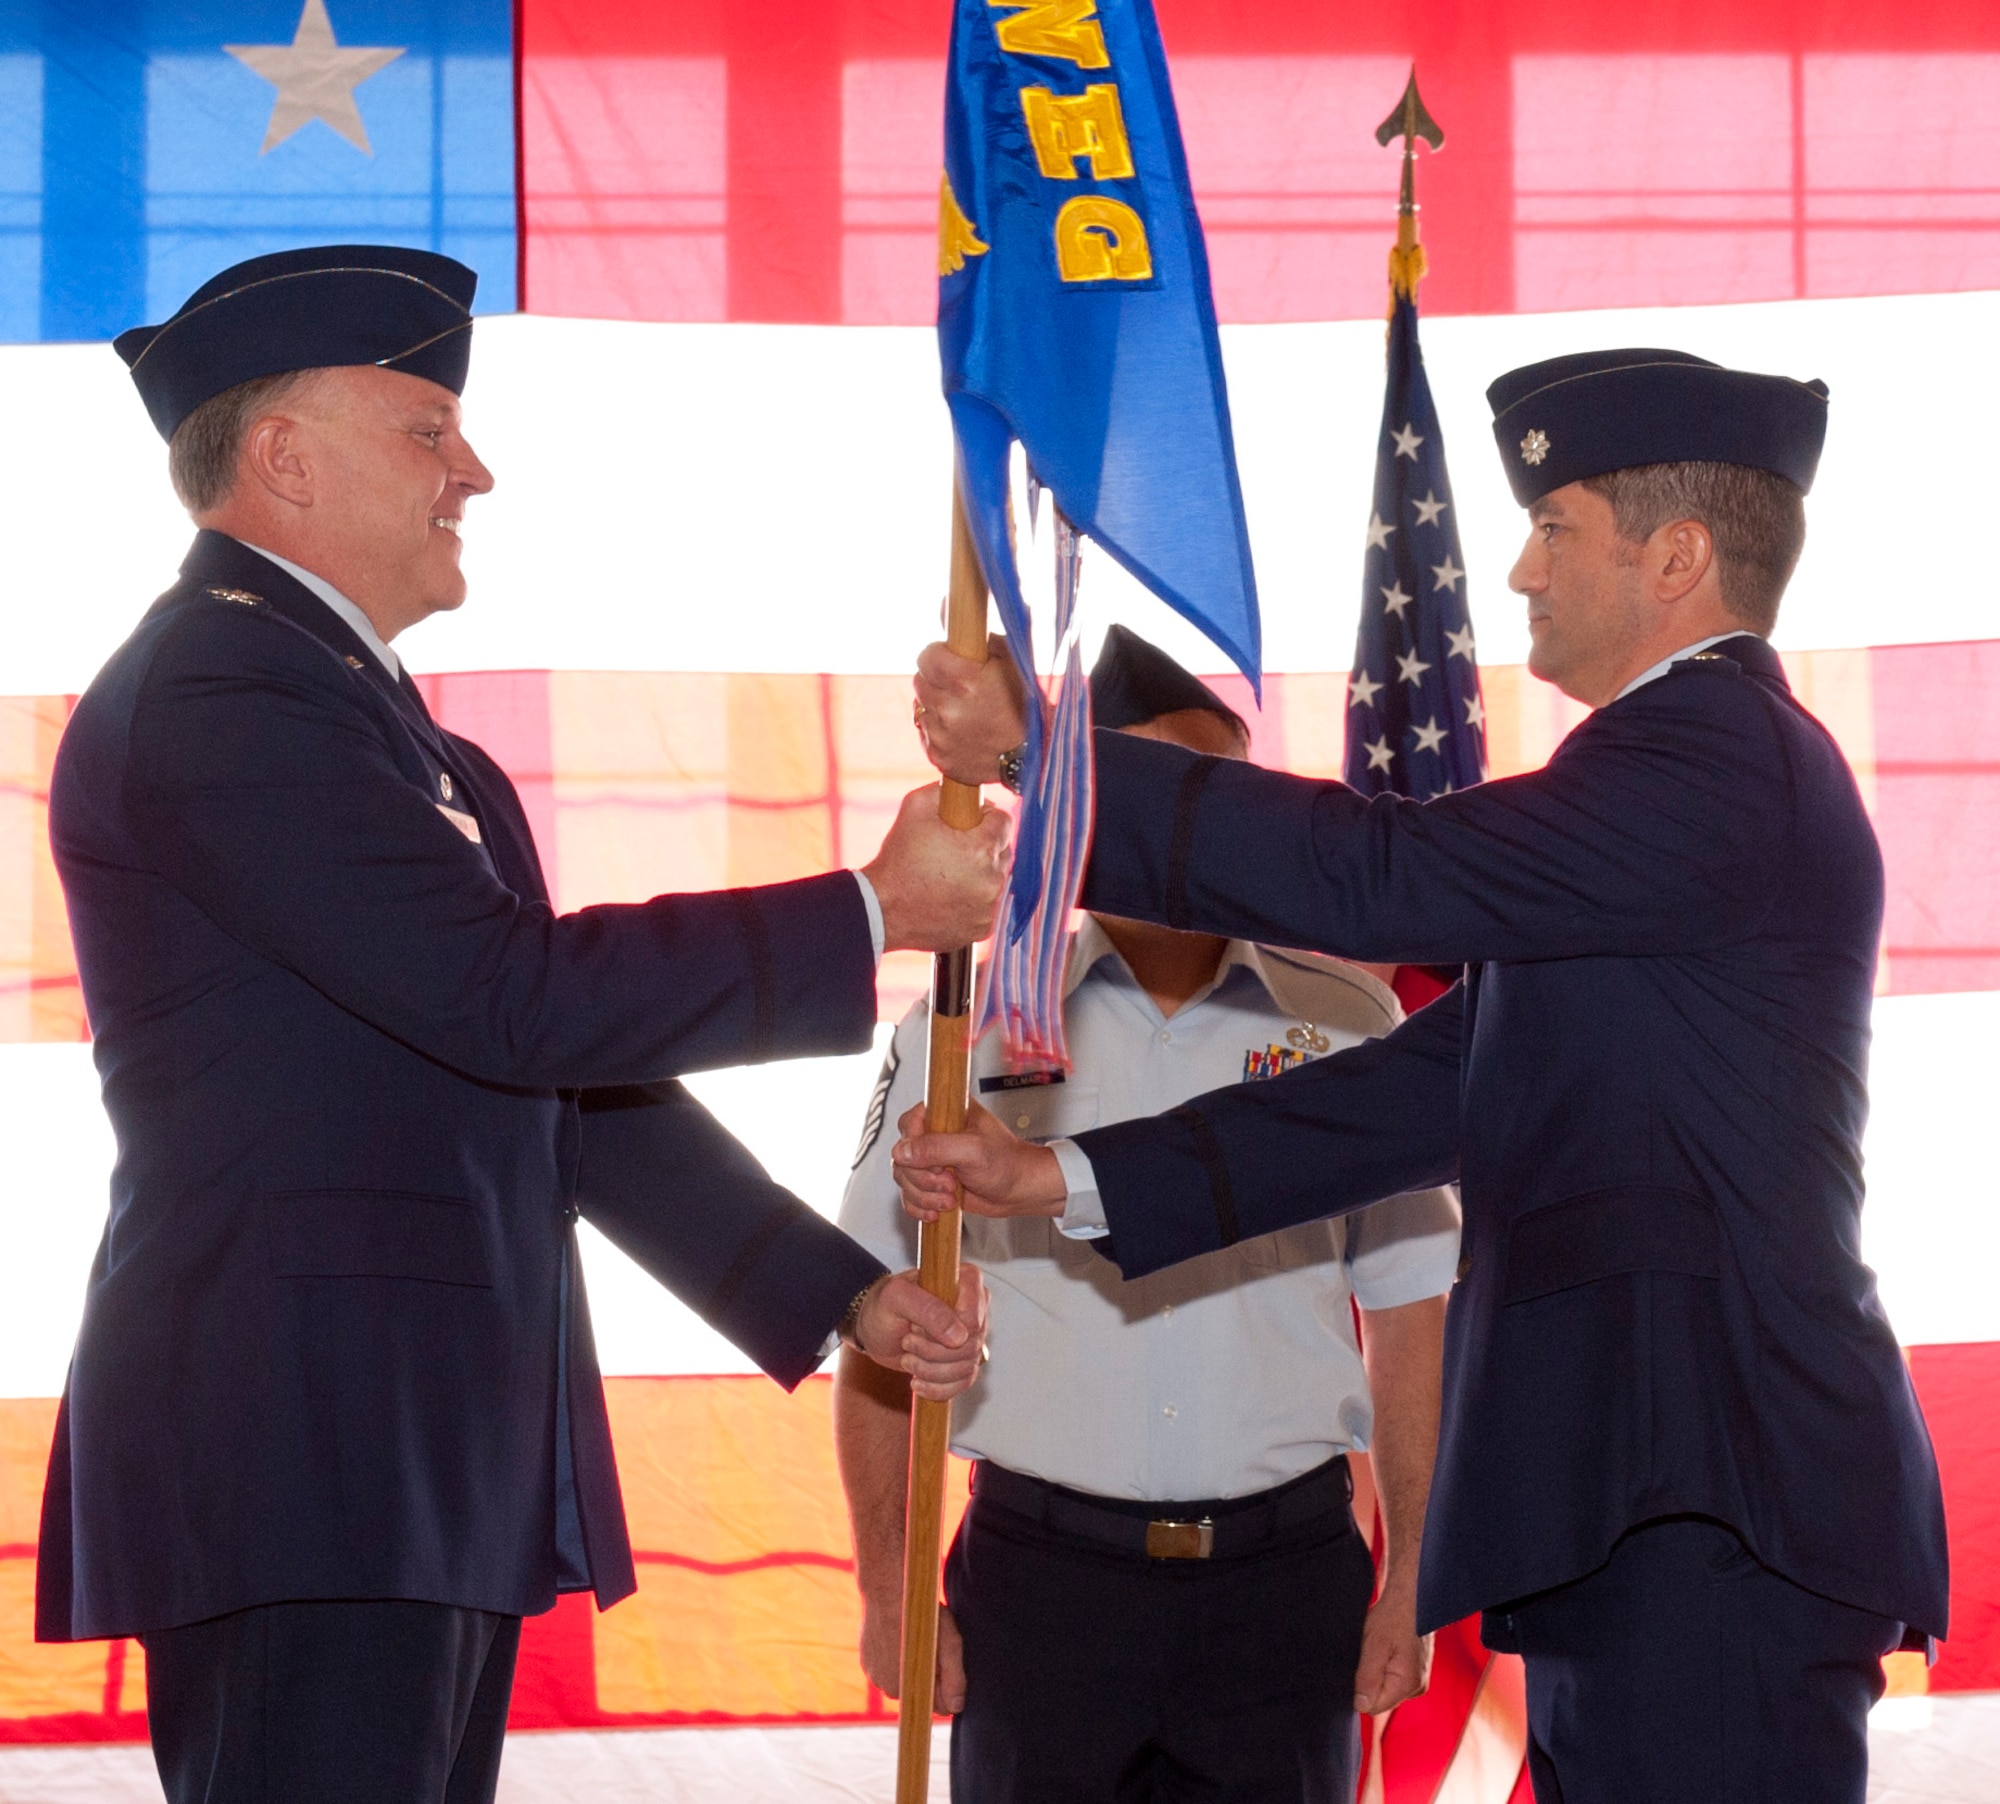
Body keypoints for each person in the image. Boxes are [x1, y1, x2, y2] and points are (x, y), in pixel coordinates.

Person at [897, 351, 1949, 1803]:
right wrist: (1067, 1175)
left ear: (1679, 558)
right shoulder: (1661, 808)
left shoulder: (1710, 764)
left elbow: (1385, 873)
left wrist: (1055, 763)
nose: (1517, 570)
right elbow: (1419, 1095)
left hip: (1708, 1494)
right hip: (1653, 1501)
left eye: (1557, 525)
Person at [36, 244, 1005, 1804]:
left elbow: (560, 1081)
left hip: (399, 1451)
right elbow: (513, 1000)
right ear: (281, 457)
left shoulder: (390, 734)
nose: (472, 471)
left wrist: (842, 1296)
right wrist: (868, 910)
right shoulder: (222, 691)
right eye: (426, 428)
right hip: (306, 1450)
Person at [836, 626, 1459, 1803]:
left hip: (1284, 1593)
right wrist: (888, 1588)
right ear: (1085, 812)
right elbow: (871, 1319)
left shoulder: (1351, 1026)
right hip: (1040, 1591)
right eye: (1154, 794)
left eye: (1210, 797)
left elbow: (1409, 1315)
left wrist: (1412, 1569)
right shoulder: (966, 1028)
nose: (1188, 828)